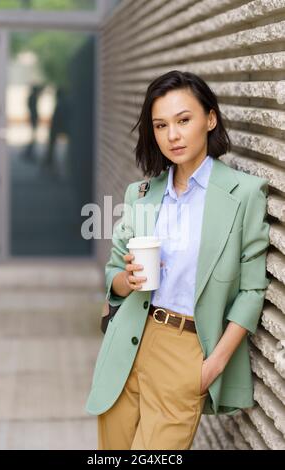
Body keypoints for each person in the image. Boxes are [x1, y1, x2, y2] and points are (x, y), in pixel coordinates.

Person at [85, 70, 270, 450]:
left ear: (210, 118)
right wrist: (128, 279)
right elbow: (114, 274)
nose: (173, 135)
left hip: (187, 350)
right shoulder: (141, 194)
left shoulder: (244, 193)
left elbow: (252, 290)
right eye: (161, 125)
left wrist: (211, 366)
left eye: (184, 120)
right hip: (130, 341)